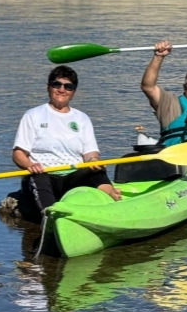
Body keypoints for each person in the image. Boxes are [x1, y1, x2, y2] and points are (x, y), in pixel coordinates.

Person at [12, 65, 121, 216]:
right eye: (56, 84)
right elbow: (18, 154)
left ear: (73, 92)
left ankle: (112, 200)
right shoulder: (33, 115)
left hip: (73, 176)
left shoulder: (82, 118)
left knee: (96, 171)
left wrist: (93, 160)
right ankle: (51, 216)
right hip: (45, 174)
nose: (62, 90)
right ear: (48, 87)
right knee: (38, 179)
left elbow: (90, 152)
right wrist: (30, 165)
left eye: (68, 87)